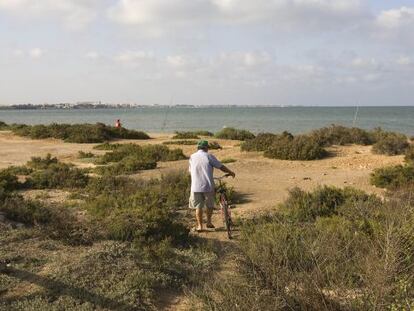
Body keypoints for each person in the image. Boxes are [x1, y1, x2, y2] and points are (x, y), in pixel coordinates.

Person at [189, 140, 235, 232]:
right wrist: (230, 172)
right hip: (208, 185)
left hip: (195, 186)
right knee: (209, 205)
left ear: (197, 147)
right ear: (206, 148)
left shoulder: (192, 157)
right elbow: (220, 166)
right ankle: (209, 222)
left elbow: (190, 171)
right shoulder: (209, 156)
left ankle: (200, 226)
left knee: (198, 207)